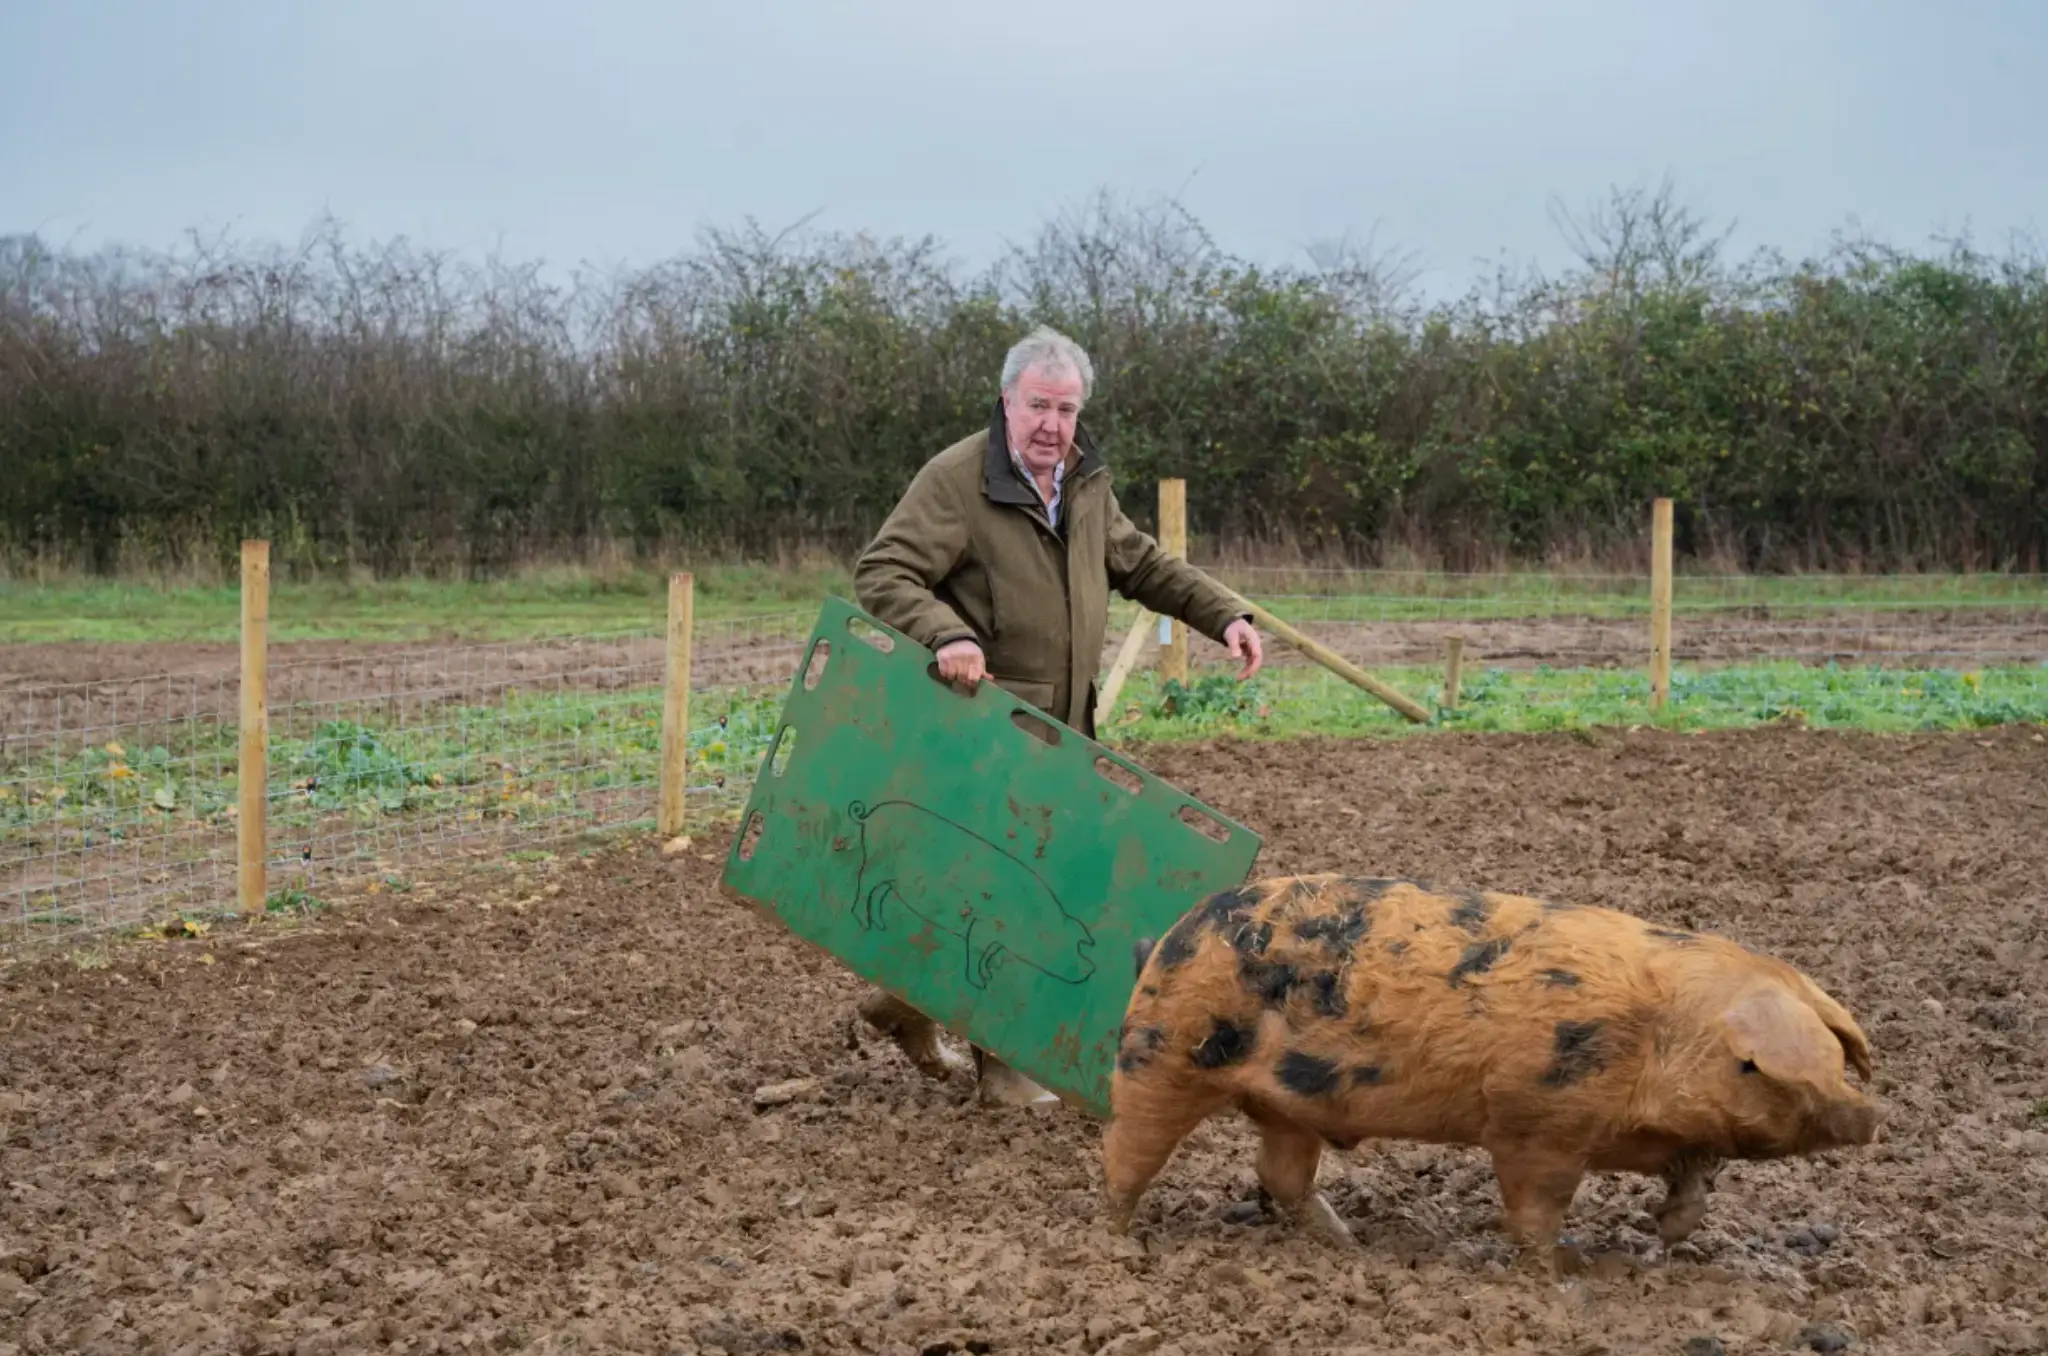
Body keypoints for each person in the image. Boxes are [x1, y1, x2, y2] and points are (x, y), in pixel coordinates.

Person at [848, 323, 1265, 1106]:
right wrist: (948, 634)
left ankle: (902, 1003)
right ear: (1008, 401)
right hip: (988, 728)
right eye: (1039, 405)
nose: (1052, 424)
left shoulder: (1083, 481)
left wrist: (1225, 616)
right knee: (1013, 890)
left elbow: (1139, 563)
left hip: (1066, 731)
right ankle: (1005, 1063)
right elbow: (883, 571)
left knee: (1018, 884)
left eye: (1067, 409)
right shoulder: (957, 481)